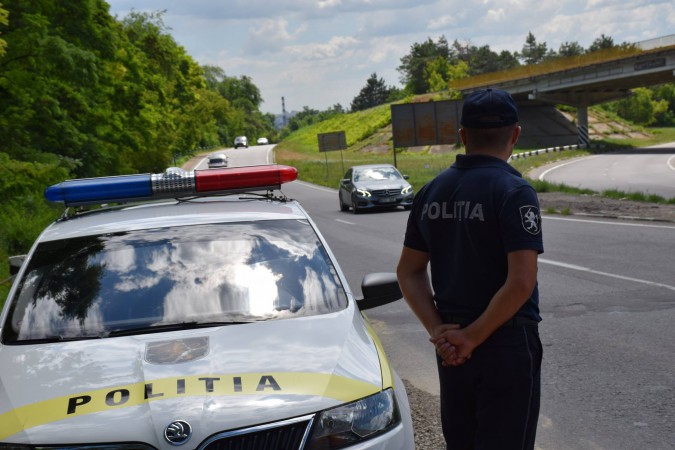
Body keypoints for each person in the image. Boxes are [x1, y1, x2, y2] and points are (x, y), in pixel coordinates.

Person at [396, 88, 544, 450]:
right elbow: (521, 281)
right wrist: (474, 337)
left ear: (463, 135)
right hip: (505, 345)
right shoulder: (514, 191)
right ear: (515, 135)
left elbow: (408, 272)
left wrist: (439, 331)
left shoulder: (431, 191)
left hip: (451, 348)